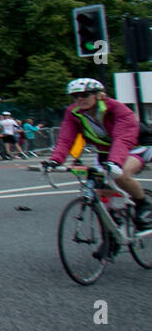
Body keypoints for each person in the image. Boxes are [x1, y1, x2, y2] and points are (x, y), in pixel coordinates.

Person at [45, 78, 152, 230]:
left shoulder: (116, 108)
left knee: (121, 174)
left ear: (98, 95)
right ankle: (112, 230)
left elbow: (123, 138)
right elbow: (65, 139)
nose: (80, 99)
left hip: (136, 146)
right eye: (75, 96)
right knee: (98, 189)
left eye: (85, 94)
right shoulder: (73, 112)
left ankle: (143, 205)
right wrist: (55, 160)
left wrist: (115, 162)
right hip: (107, 151)